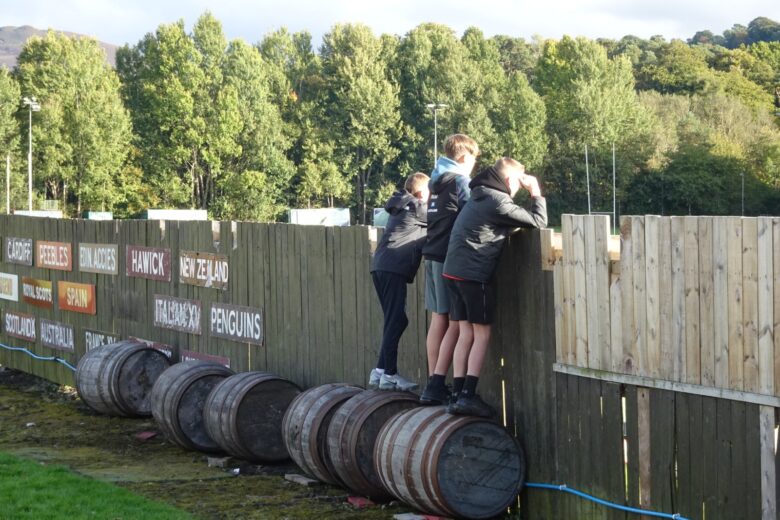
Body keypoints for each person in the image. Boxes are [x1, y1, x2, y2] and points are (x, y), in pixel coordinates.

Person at [441, 157, 547, 417]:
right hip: (473, 275)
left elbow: (499, 224)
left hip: (453, 272)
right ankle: (468, 395)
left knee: (465, 332)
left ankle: (457, 393)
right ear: (510, 180)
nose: (517, 189)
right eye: (518, 184)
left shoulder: (480, 194)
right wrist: (536, 193)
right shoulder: (497, 201)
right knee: (482, 334)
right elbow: (539, 221)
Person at [418, 134, 479, 405]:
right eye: (474, 160)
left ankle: (434, 378)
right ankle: (438, 384)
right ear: (465, 158)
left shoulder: (436, 182)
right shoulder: (460, 181)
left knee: (437, 319)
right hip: (447, 257)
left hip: (431, 252)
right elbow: (472, 213)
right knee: (453, 322)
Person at [368, 172, 430, 391]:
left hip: (381, 266)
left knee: (395, 320)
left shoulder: (402, 205)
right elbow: (442, 218)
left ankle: (379, 371)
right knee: (395, 320)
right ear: (422, 192)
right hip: (393, 268)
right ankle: (390, 373)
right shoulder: (417, 207)